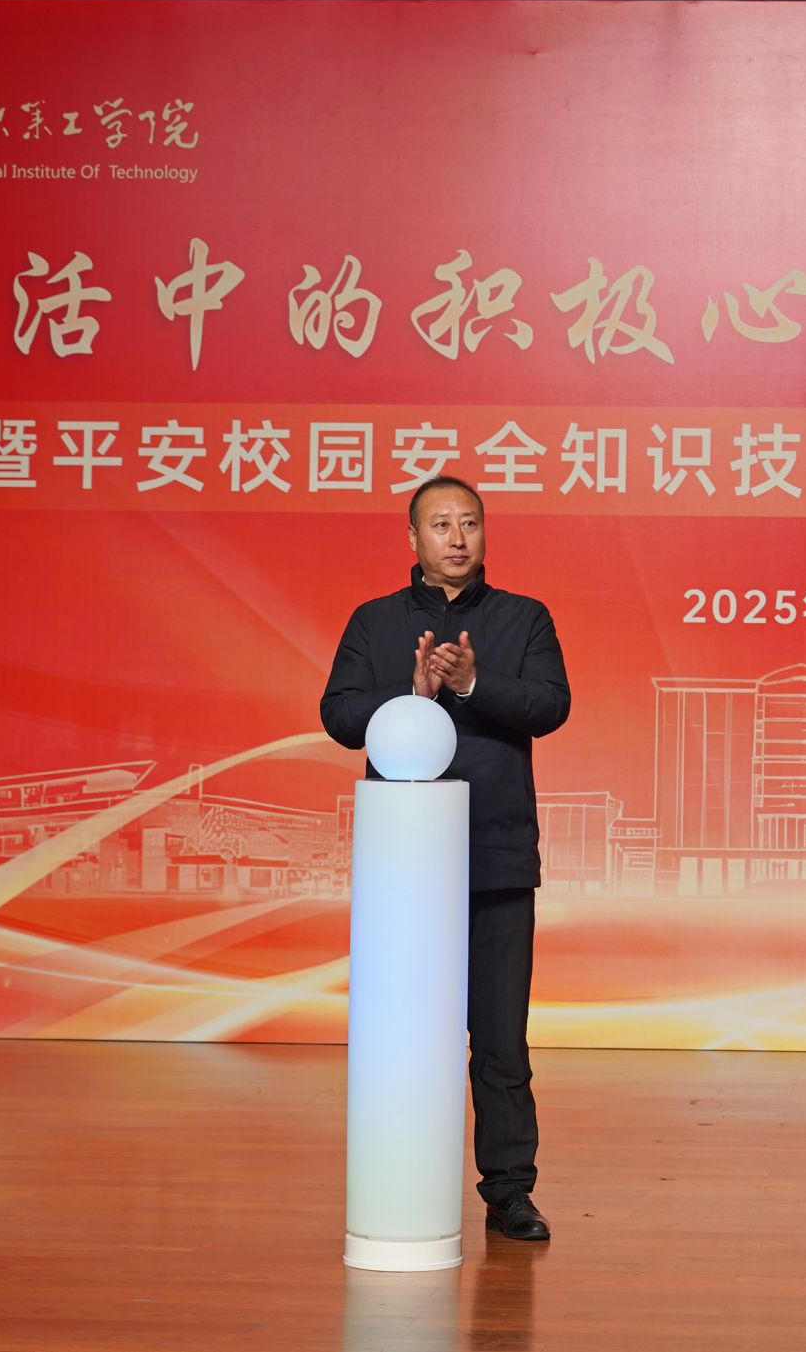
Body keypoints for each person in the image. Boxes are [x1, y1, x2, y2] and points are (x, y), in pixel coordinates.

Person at [320, 475, 571, 1242]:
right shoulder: (375, 621)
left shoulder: (524, 617)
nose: (456, 538)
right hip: (407, 871)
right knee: (407, 1036)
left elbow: (550, 704)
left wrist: (473, 682)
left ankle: (509, 1191)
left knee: (499, 1039)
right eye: (440, 524)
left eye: (469, 523)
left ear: (485, 533)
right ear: (413, 538)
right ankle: (404, 1183)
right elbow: (339, 715)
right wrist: (412, 692)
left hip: (496, 856)